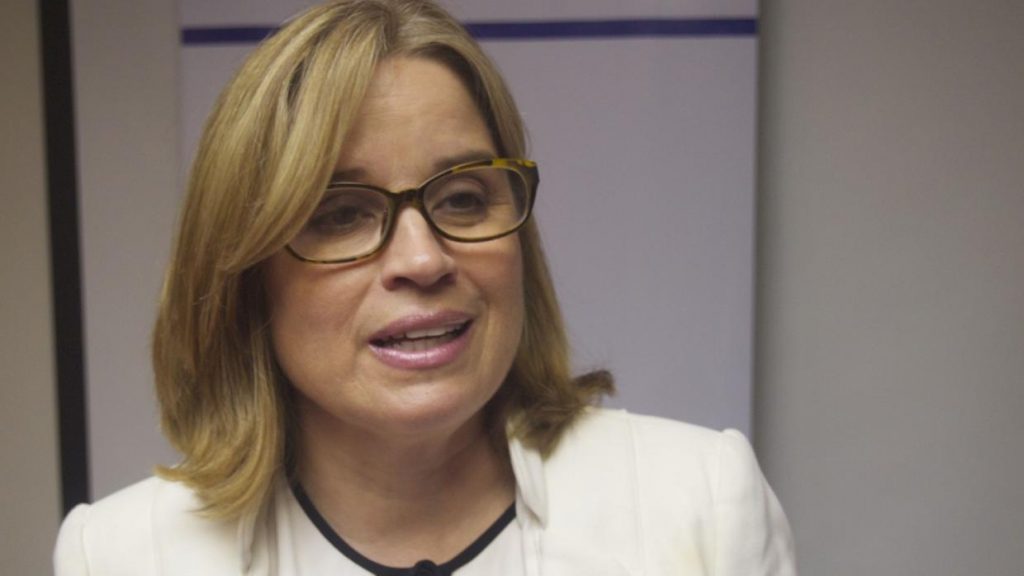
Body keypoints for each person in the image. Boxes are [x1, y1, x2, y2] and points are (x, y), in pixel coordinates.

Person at [54, 1, 796, 574]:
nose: (423, 258)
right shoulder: (120, 555)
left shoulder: (700, 504)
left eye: (464, 198)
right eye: (340, 214)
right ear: (246, 279)